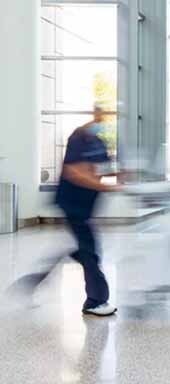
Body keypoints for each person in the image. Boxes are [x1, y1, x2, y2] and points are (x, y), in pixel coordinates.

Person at [28, 107, 123, 316]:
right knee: (90, 250)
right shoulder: (79, 138)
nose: (104, 121)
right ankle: (95, 301)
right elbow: (75, 173)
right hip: (72, 203)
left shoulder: (99, 142)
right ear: (95, 115)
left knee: (82, 249)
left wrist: (124, 173)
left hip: (87, 206)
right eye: (102, 116)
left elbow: (103, 169)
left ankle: (30, 283)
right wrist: (105, 187)